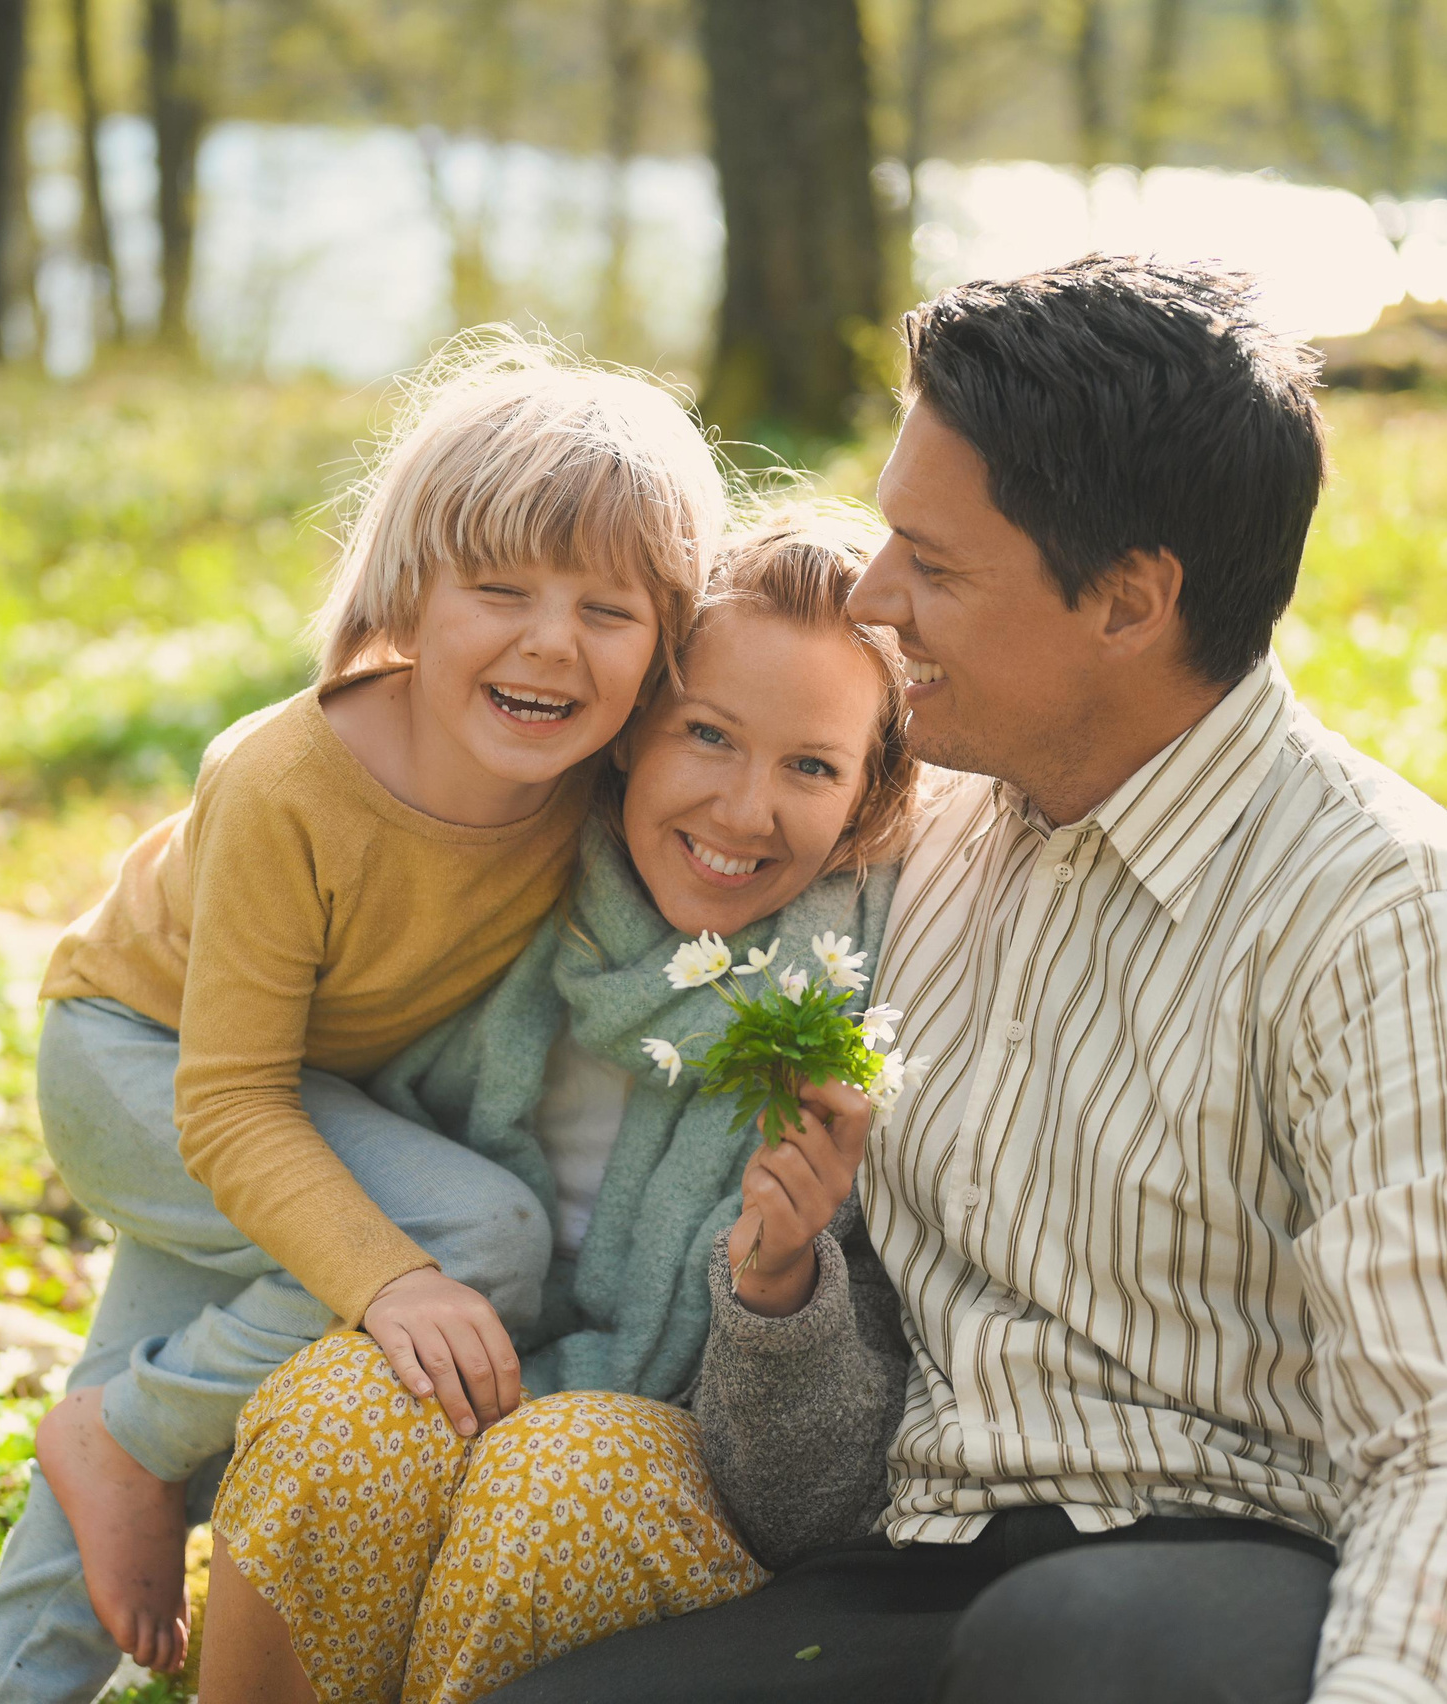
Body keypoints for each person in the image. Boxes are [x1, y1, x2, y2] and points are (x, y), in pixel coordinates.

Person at [492, 254, 1447, 1704]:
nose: (875, 596)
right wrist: (779, 1293)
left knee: (1066, 1651)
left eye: (933, 566)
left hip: (1233, 1583)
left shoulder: (1396, 928)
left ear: (1129, 603)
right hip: (915, 1573)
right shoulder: (916, 859)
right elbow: (821, 1468)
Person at [0, 334, 727, 1699]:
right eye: (500, 589)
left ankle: (77, 1523)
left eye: (609, 609)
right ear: (410, 591)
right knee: (468, 1233)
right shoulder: (286, 780)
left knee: (78, 1532)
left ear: (663, 646)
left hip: (307, 1106)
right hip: (141, 1062)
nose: (551, 640)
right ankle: (133, 1435)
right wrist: (396, 1274)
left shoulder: (584, 781)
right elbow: (229, 1100)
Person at [192, 510, 921, 1704]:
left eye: (810, 766)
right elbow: (262, 1086)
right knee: (340, 1417)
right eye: (707, 734)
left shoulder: (859, 1007)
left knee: (556, 1482)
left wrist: (781, 1282)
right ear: (631, 728)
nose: (744, 810)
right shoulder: (510, 868)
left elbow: (822, 1497)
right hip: (476, 1354)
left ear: (866, 794)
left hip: (681, 1471)